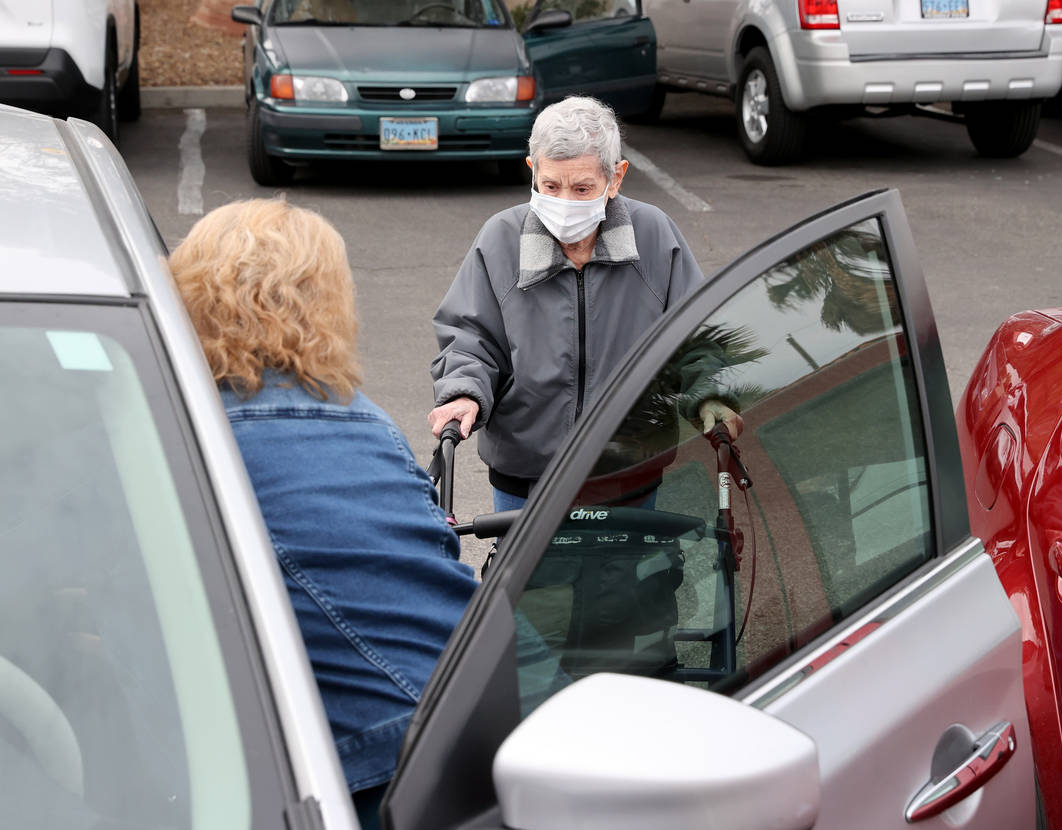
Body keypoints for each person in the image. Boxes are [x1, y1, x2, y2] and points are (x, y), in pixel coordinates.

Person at [168, 199, 477, 830]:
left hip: (380, 767)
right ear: (328, 304)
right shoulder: (361, 419)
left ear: (188, 295)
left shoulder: (184, 431)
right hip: (463, 723)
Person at [429, 95, 741, 511]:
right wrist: (464, 391)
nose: (565, 204)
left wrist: (710, 393)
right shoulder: (500, 239)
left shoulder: (654, 236)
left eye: (582, 189)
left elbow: (696, 337)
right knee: (531, 580)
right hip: (526, 473)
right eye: (551, 186)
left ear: (616, 178)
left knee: (630, 577)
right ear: (532, 171)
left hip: (629, 468)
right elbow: (471, 338)